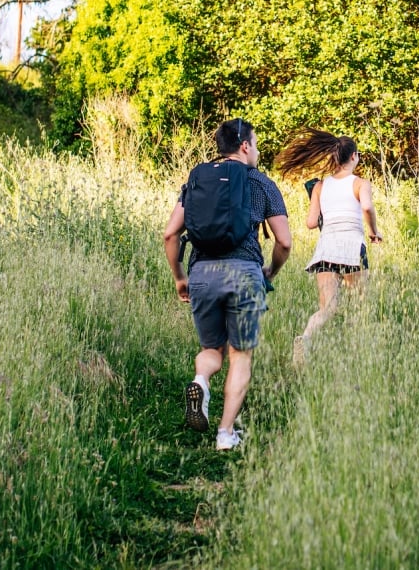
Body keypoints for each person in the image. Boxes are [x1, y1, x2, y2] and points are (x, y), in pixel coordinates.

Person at [164, 118, 291, 450]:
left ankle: (201, 381)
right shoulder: (261, 183)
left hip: (202, 274)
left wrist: (180, 277)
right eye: (257, 143)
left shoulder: (198, 180)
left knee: (211, 350)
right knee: (240, 355)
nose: (258, 151)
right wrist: (270, 272)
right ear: (245, 146)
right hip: (246, 274)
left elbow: (169, 234)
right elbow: (285, 242)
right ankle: (225, 434)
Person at [274, 128, 382, 365]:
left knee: (328, 308)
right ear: (354, 156)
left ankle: (306, 337)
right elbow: (366, 207)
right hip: (352, 247)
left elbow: (311, 223)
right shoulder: (360, 183)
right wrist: (374, 232)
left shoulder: (320, 186)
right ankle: (359, 355)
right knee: (360, 305)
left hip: (325, 250)